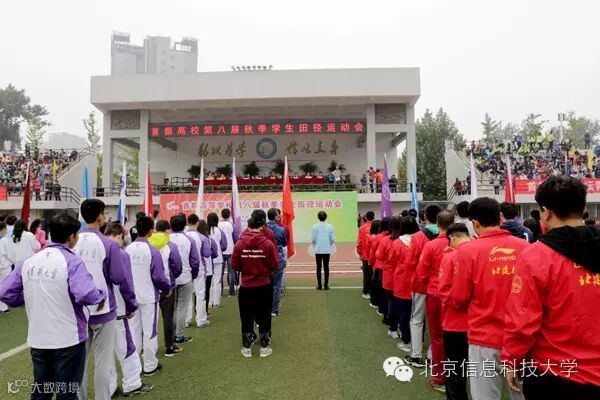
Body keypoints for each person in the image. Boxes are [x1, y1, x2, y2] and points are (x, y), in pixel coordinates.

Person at [502, 176, 600, 399]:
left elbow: (522, 320)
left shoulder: (536, 256)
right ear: (583, 207)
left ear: (545, 212)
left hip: (554, 373)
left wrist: (512, 360)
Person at [0, 213, 106, 400]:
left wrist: (26, 299)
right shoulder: (72, 262)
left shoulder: (29, 262)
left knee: (42, 390)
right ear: (71, 237)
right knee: (67, 391)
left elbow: (5, 292)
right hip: (68, 339)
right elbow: (86, 294)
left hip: (39, 339)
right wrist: (101, 294)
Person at [451, 197, 529, 400]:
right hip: (521, 337)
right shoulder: (525, 247)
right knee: (521, 394)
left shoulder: (467, 251)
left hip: (483, 337)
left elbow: (459, 297)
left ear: (475, 223)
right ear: (500, 218)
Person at [74, 199, 138, 400]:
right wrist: (131, 304)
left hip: (78, 310)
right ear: (100, 217)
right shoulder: (109, 244)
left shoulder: (72, 241)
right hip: (103, 310)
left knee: (79, 363)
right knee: (103, 363)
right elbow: (120, 278)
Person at [104, 223, 151, 396]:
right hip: (117, 309)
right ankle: (132, 383)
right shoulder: (119, 253)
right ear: (119, 236)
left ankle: (109, 387)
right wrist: (131, 305)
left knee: (105, 353)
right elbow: (125, 282)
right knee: (126, 348)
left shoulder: (95, 250)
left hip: (97, 311)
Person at [414, 210, 455, 392]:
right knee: (456, 337)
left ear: (437, 224)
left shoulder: (431, 246)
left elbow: (421, 273)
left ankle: (440, 377)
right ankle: (456, 375)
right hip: (456, 296)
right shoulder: (462, 245)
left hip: (436, 295)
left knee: (437, 337)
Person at [126, 216, 172, 377]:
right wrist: (167, 289)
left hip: (132, 297)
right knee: (150, 332)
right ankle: (150, 365)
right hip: (148, 297)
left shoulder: (128, 249)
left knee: (134, 331)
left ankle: (136, 366)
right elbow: (159, 276)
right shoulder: (152, 250)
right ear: (151, 231)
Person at [231, 210, 279, 358]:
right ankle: (264, 347)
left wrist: (247, 268)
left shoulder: (240, 243)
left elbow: (234, 265)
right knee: (264, 315)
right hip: (264, 284)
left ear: (248, 227)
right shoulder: (268, 243)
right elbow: (274, 264)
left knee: (246, 316)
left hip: (246, 285)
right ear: (261, 226)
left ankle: (247, 347)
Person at [404, 204, 441, 368]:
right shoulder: (448, 236)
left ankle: (416, 356)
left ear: (425, 217)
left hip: (421, 284)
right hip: (441, 285)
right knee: (437, 323)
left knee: (417, 319)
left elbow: (410, 263)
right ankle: (433, 356)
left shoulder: (418, 237)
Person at [438, 223, 471, 400]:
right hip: (484, 321)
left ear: (452, 237)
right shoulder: (484, 252)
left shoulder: (450, 257)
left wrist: (460, 302)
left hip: (456, 322)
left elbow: (444, 290)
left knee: (455, 366)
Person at [148, 220, 183, 357]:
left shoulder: (148, 244)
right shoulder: (171, 246)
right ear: (167, 230)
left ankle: (148, 349)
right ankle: (169, 346)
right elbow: (177, 267)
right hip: (167, 286)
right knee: (168, 318)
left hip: (150, 286)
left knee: (149, 320)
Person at [389, 216, 419, 353]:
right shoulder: (420, 240)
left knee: (404, 311)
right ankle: (418, 340)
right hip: (418, 280)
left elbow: (391, 260)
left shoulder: (396, 243)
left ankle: (406, 340)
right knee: (418, 313)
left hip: (402, 280)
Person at [169, 214, 200, 344]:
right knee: (182, 307)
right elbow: (195, 261)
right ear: (184, 225)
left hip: (169, 278)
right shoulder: (189, 240)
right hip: (185, 276)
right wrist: (194, 275)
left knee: (172, 308)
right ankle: (179, 335)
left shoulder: (166, 239)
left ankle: (171, 336)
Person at [184, 214, 212, 328]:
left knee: (187, 295)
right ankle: (201, 319)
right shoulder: (202, 237)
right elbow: (207, 253)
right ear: (197, 223)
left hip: (186, 269)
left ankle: (186, 320)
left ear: (187, 222)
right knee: (200, 294)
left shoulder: (183, 236)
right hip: (199, 268)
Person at [266, 209, 287, 316]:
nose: (279, 216)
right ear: (275, 217)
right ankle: (274, 310)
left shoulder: (263, 229)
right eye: (278, 215)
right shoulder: (281, 229)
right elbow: (284, 243)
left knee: (265, 285)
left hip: (265, 260)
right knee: (276, 286)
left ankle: (266, 308)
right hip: (278, 259)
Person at [369, 218, 390, 312]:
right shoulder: (395, 237)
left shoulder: (378, 237)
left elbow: (373, 252)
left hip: (379, 266)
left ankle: (379, 307)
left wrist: (371, 263)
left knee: (379, 288)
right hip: (389, 267)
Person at [198, 219, 218, 313]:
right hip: (208, 268)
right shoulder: (210, 240)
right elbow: (215, 253)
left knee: (197, 290)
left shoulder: (194, 238)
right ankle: (205, 310)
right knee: (206, 290)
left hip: (197, 268)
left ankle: (197, 309)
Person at [207, 212, 227, 308]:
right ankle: (216, 302)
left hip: (208, 259)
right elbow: (224, 246)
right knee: (217, 281)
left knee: (209, 281)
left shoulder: (205, 231)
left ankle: (209, 302)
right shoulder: (220, 231)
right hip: (218, 258)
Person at [312, 211, 335, 290]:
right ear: (326, 217)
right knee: (326, 267)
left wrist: (315, 245)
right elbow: (332, 239)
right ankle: (326, 285)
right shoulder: (330, 226)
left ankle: (319, 285)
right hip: (326, 249)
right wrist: (329, 244)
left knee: (318, 267)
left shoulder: (315, 226)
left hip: (318, 249)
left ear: (318, 217)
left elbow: (313, 239)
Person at [218, 208, 237, 296]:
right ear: (229, 215)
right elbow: (235, 238)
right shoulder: (232, 225)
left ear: (221, 215)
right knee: (231, 271)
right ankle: (231, 291)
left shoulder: (218, 225)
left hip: (221, 250)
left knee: (220, 272)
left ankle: (220, 291)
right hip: (230, 250)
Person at [357, 211, 375, 299]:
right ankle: (373, 291)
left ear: (366, 218)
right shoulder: (376, 226)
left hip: (365, 254)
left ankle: (366, 291)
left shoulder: (362, 228)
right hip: (375, 254)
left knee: (367, 274)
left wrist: (360, 252)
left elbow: (359, 242)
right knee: (374, 274)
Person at [0, 222, 11, 314]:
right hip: (4, 266)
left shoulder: (4, 239)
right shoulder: (4, 240)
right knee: (4, 286)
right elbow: (8, 254)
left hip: (3, 265)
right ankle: (3, 307)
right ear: (3, 229)